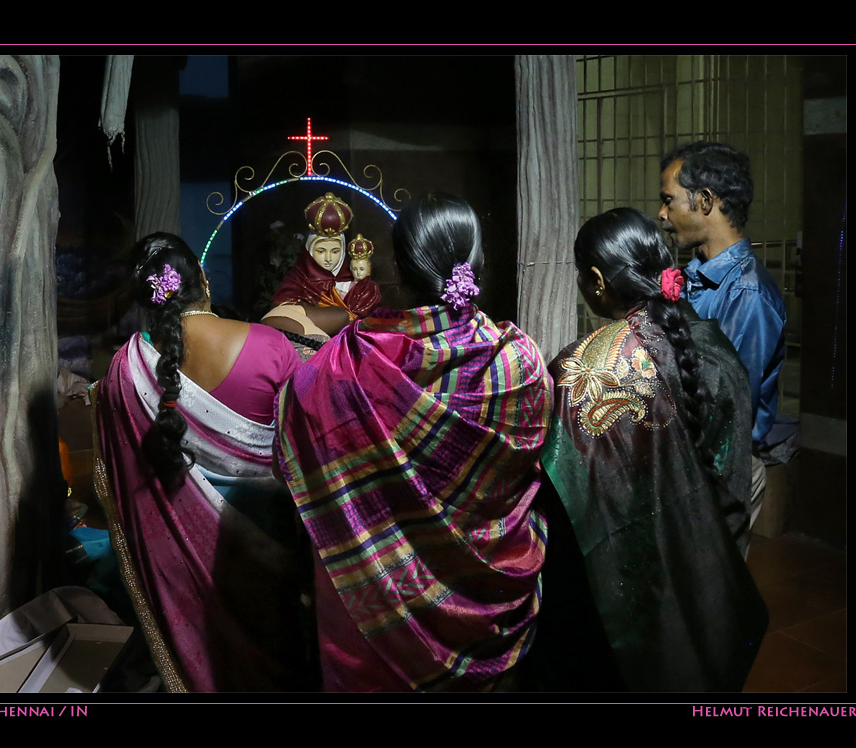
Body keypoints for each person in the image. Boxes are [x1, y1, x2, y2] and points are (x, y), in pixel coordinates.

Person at [274, 192, 553, 692]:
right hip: (492, 605)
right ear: (478, 262)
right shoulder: (519, 364)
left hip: (375, 618)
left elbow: (296, 437)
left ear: (397, 269)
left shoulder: (343, 368)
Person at [539, 208, 767, 691]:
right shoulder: (715, 346)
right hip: (712, 586)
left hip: (625, 612)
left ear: (596, 280)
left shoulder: (583, 373)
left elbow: (565, 504)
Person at [92, 232, 315, 692]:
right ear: (205, 282)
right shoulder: (271, 346)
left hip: (178, 575)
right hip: (270, 561)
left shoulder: (124, 372)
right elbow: (306, 452)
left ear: (148, 301)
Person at [659, 141, 787, 528]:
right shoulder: (698, 276)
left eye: (669, 200)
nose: (662, 214)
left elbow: (727, 405)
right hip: (693, 460)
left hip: (721, 465)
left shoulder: (746, 294)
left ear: (705, 200)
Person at [263, 192, 378, 339]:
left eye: (335, 251)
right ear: (310, 251)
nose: (329, 258)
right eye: (321, 251)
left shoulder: (359, 283)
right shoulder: (297, 281)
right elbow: (279, 319)